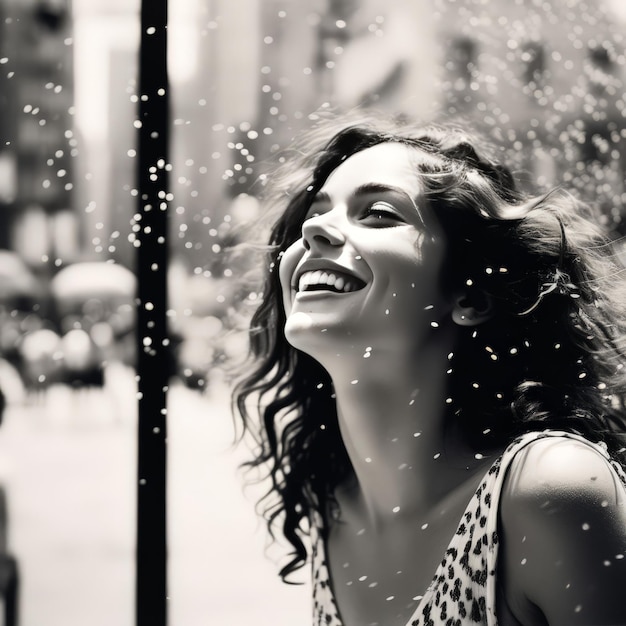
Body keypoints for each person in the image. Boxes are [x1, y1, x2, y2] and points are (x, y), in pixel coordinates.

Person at [232, 113, 626, 626]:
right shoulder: (331, 504)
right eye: (317, 210)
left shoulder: (551, 491)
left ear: (471, 295)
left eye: (375, 213)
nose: (313, 228)